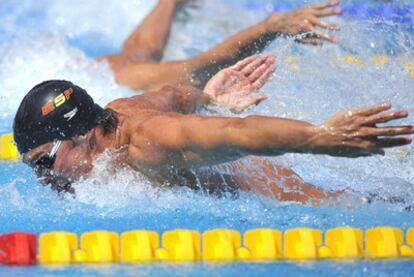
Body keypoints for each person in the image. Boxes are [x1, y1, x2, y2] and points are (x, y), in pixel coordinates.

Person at [13, 70, 413, 205]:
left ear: (80, 134)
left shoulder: (147, 142)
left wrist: (321, 137)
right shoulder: (118, 110)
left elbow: (234, 132)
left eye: (44, 162)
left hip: (321, 208)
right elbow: (172, 94)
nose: (43, 178)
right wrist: (210, 96)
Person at [99, 0, 343, 92]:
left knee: (171, 70)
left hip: (94, 75)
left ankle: (271, 25)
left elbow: (193, 71)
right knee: (136, 56)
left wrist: (268, 28)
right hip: (90, 73)